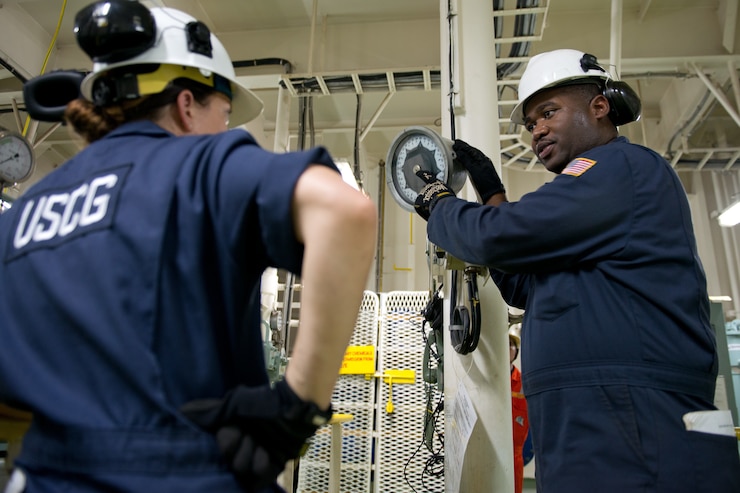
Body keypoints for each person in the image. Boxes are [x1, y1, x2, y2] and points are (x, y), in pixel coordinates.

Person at [0, 1, 377, 492]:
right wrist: (296, 406)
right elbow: (345, 211)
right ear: (185, 105)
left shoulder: (27, 211)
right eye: (223, 113)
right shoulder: (198, 168)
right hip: (191, 474)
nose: (225, 129)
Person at [414, 48, 740, 492]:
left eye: (549, 112)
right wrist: (491, 193)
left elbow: (502, 238)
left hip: (636, 425)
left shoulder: (620, 168)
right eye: (530, 124)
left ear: (600, 106)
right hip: (591, 424)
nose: (537, 130)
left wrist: (441, 206)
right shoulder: (585, 210)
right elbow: (519, 280)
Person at [508, 323, 529, 493]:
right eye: (506, 344)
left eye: (512, 345)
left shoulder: (524, 382)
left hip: (516, 453)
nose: (509, 348)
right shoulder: (491, 381)